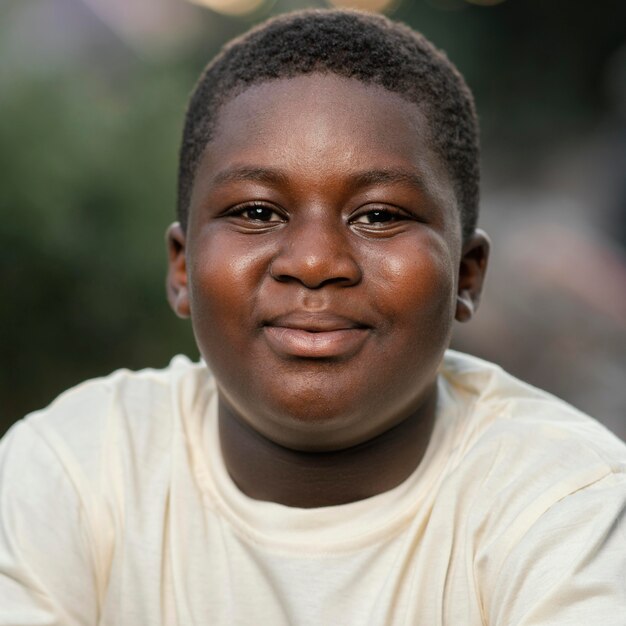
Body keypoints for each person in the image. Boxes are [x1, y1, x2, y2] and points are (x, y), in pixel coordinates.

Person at [1, 9, 624, 625]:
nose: (315, 262)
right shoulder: (76, 471)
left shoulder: (568, 502)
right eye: (256, 212)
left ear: (466, 275)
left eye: (379, 215)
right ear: (183, 268)